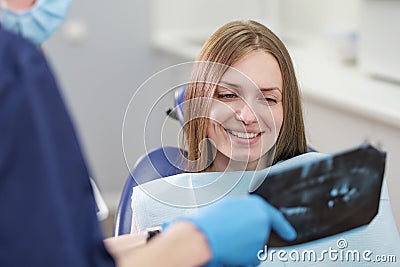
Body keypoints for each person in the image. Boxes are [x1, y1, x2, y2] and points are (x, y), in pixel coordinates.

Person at [0, 15, 298, 267]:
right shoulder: (156, 204)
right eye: (228, 95)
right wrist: (172, 238)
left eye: (269, 98)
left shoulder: (322, 188)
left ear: (288, 109)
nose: (248, 115)